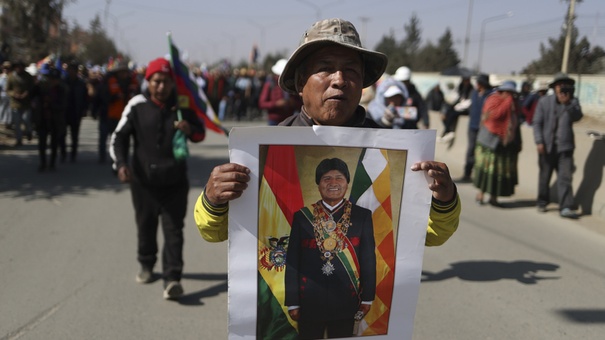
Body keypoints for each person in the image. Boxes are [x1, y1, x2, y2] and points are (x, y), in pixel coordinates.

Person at [194, 19, 459, 245]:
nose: (340, 79)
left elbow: (428, 236)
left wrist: (444, 201)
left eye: (351, 70)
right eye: (325, 68)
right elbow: (214, 232)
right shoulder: (267, 151)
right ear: (300, 82)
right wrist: (213, 199)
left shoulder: (393, 154)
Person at [110, 57, 206, 300]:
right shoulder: (137, 105)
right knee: (146, 226)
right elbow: (118, 138)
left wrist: (188, 129)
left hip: (175, 183)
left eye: (166, 82)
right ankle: (146, 263)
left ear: (173, 84)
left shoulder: (182, 105)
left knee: (174, 231)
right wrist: (120, 164)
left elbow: (200, 133)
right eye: (156, 81)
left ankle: (173, 278)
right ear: (148, 81)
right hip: (144, 184)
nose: (161, 86)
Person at [285, 158, 376, 338]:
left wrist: (367, 297)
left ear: (347, 182)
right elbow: (293, 260)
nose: (333, 183)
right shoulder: (303, 217)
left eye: (339, 178)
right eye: (326, 178)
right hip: (309, 299)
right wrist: (293, 301)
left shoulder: (362, 216)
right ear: (318, 184)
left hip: (347, 299)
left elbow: (368, 259)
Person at [532, 73, 583, 218]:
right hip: (547, 147)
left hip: (565, 148)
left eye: (566, 85)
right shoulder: (544, 102)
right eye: (560, 85)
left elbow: (578, 117)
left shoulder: (573, 102)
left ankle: (565, 206)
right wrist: (539, 141)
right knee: (544, 177)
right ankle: (542, 201)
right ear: (554, 87)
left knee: (565, 178)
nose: (563, 88)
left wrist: (568, 104)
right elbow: (537, 123)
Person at [473, 80, 521, 206]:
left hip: (504, 143)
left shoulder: (514, 105)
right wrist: (507, 103)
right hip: (488, 141)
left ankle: (494, 198)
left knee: (498, 172)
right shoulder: (493, 100)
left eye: (512, 94)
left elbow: (515, 123)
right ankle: (481, 195)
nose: (510, 96)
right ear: (502, 91)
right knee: (486, 170)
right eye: (508, 92)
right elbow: (494, 116)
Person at [98, 60, 139, 163]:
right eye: (121, 71)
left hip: (126, 116)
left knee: (125, 139)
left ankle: (121, 160)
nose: (123, 74)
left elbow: (139, 97)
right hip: (110, 115)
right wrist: (114, 97)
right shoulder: (109, 81)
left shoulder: (133, 82)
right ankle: (105, 157)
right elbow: (102, 97)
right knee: (110, 138)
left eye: (125, 71)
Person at [460, 74, 493, 182]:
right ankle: (467, 173)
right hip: (472, 126)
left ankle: (480, 177)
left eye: (478, 83)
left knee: (481, 152)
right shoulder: (474, 93)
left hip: (484, 128)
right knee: (471, 150)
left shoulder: (490, 96)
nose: (476, 85)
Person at [34, 68, 66, 172]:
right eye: (51, 79)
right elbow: (33, 96)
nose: (52, 81)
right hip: (42, 118)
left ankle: (52, 163)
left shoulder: (62, 90)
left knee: (54, 143)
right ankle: (43, 163)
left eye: (55, 79)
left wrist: (52, 104)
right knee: (42, 142)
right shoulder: (42, 88)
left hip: (55, 119)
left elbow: (63, 105)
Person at [258, 58, 301, 125]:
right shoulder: (269, 85)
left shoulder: (292, 85)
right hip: (274, 120)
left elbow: (300, 103)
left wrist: (293, 103)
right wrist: (276, 104)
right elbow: (262, 103)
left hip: (289, 120)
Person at [60, 62, 88, 162]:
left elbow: (85, 98)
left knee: (74, 135)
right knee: (62, 134)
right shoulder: (63, 82)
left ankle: (73, 154)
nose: (71, 72)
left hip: (76, 111)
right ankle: (63, 153)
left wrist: (85, 109)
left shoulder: (81, 83)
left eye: (73, 70)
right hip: (64, 111)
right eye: (70, 70)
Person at [6, 60, 35, 146]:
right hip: (15, 103)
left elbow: (32, 88)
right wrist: (14, 94)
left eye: (20, 66)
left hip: (26, 103)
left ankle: (29, 131)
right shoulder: (11, 77)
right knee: (17, 122)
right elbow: (8, 89)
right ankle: (19, 139)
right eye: (17, 67)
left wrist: (26, 93)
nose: (19, 68)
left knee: (26, 120)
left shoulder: (28, 76)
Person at [0, 61, 12, 128]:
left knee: (9, 109)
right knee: (2, 108)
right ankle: (1, 121)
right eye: (4, 68)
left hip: (10, 95)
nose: (6, 69)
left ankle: (8, 122)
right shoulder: (1, 77)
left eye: (7, 68)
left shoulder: (12, 76)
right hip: (2, 95)